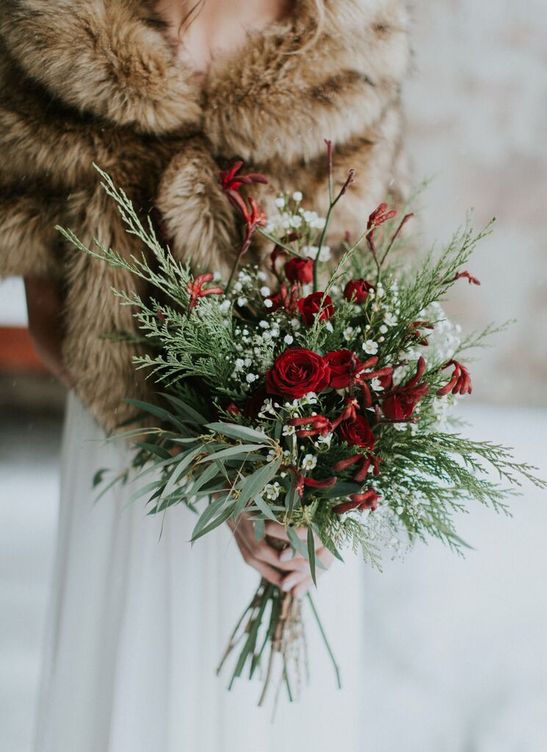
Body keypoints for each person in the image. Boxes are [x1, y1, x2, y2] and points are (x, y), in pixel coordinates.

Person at [0, 1, 410, 749]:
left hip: (298, 470)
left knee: (280, 719)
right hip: (130, 453)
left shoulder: (355, 40)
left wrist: (311, 482)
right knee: (140, 694)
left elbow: (374, 273)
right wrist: (212, 474)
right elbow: (47, 312)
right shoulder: (60, 30)